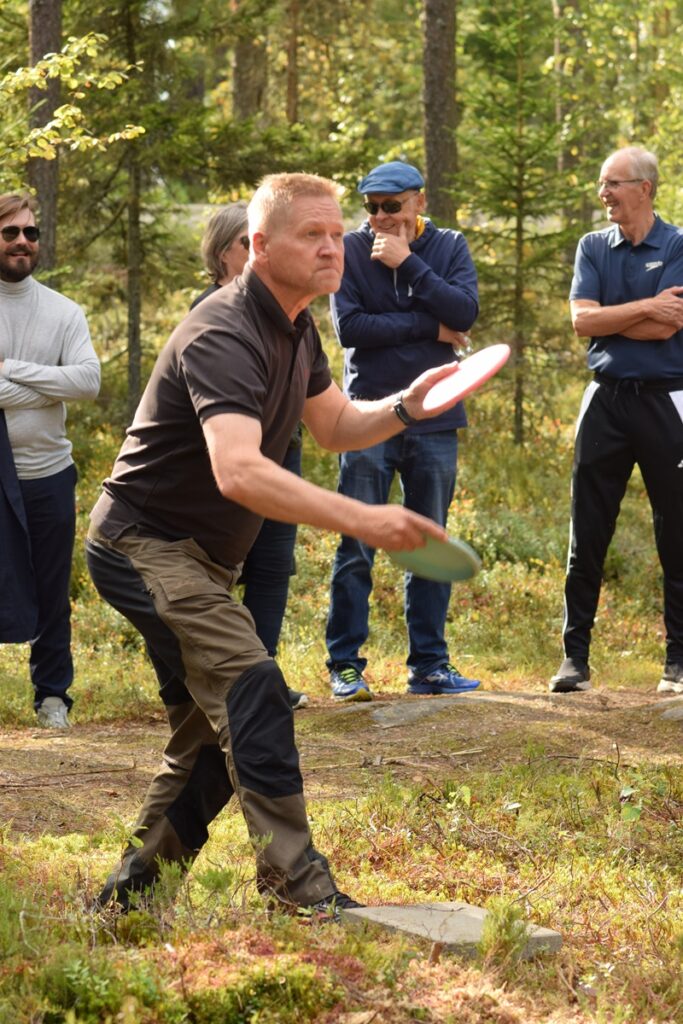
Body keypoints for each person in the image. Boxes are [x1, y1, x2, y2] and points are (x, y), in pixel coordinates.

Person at [85, 172, 465, 918]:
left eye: (336, 234)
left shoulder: (296, 325)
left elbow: (333, 428)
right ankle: (298, 887)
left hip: (197, 558)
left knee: (215, 732)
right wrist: (362, 520)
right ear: (259, 248)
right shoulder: (224, 329)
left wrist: (403, 405)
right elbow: (237, 469)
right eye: (312, 236)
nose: (334, 248)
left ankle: (131, 899)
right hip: (143, 544)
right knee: (255, 689)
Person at [325, 160, 481, 702]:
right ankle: (345, 665)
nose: (379, 218)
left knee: (429, 542)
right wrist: (431, 328)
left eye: (391, 206)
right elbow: (351, 329)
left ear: (418, 201)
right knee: (358, 542)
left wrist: (410, 265)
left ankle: (430, 667)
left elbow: (465, 311)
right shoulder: (348, 249)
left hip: (437, 418)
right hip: (368, 417)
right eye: (371, 207)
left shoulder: (448, 247)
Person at [550, 146, 683, 695]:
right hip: (604, 400)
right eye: (601, 184)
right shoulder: (592, 246)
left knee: (675, 530)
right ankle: (573, 660)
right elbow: (582, 322)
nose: (603, 194)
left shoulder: (677, 245)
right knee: (588, 531)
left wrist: (616, 319)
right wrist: (643, 309)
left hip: (666, 402)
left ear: (645, 188)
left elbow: (667, 327)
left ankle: (677, 662)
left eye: (613, 184)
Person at [192, 202, 308, 711]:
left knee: (272, 569)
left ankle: (264, 681)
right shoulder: (209, 314)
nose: (261, 252)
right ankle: (216, 683)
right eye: (248, 243)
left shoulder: (289, 315)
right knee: (218, 575)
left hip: (282, 458)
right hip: (222, 473)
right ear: (223, 255)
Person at [0, 192, 100, 729]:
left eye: (30, 233)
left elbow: (87, 380)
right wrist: (48, 384)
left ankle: (52, 695)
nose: (22, 241)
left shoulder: (64, 311)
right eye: (10, 231)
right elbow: (66, 383)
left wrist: (12, 370)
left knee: (51, 588)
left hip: (48, 475)